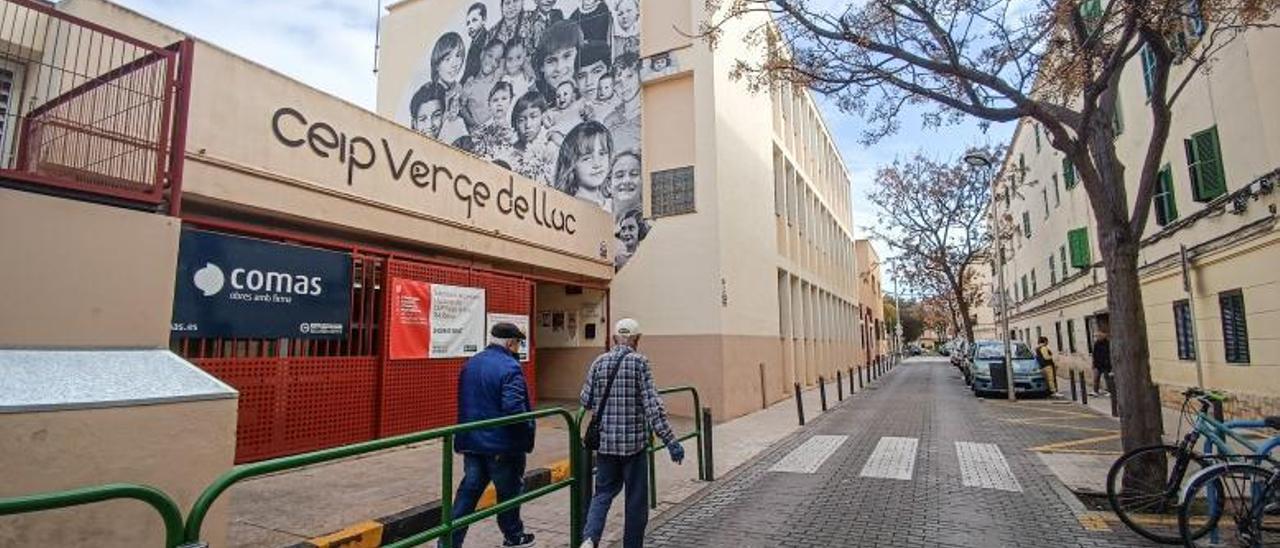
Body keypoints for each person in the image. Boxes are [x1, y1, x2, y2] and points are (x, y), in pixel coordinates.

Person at [579, 318, 683, 548]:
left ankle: (589, 538)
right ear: (637, 339)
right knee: (636, 501)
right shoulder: (639, 363)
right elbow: (652, 406)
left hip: (605, 444)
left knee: (602, 493)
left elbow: (585, 400)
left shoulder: (599, 361)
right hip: (633, 446)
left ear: (615, 338)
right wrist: (670, 441)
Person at [441, 322, 536, 548]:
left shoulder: (470, 364)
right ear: (511, 343)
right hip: (502, 445)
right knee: (509, 492)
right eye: (517, 344)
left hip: (471, 442)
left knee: (467, 494)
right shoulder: (510, 367)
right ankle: (513, 536)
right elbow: (514, 409)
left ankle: (448, 542)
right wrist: (527, 432)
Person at [555, 121, 613, 208]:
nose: (597, 164)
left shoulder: (614, 203)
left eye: (602, 153)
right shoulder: (570, 207)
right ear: (571, 165)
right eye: (587, 158)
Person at [462, 2, 491, 82]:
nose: (470, 26)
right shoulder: (474, 43)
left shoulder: (487, 40)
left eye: (474, 20)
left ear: (484, 20)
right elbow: (467, 73)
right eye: (468, 23)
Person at [1091, 326, 1111, 397]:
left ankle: (1110, 391)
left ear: (1104, 335)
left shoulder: (1108, 343)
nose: (1098, 337)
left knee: (1107, 378)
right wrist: (1093, 363)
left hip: (1106, 364)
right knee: (1096, 378)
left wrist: (1108, 362)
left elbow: (1108, 353)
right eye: (1097, 336)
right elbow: (1094, 354)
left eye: (1099, 335)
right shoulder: (1096, 343)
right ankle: (1095, 391)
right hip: (1098, 364)